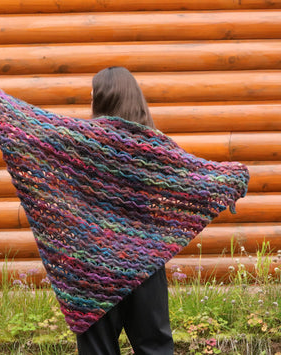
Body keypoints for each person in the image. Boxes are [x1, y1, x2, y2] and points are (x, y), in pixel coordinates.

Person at [76, 66, 174, 355]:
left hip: (94, 261)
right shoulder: (157, 145)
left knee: (97, 350)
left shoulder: (82, 142)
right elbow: (193, 182)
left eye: (92, 94)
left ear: (105, 98)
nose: (90, 100)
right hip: (146, 258)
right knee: (155, 347)